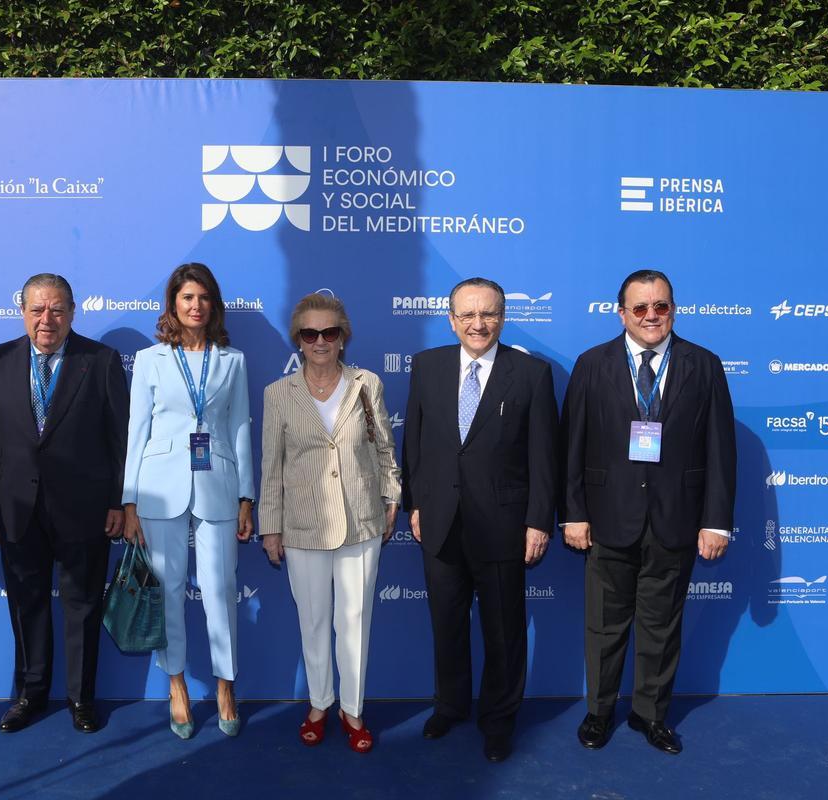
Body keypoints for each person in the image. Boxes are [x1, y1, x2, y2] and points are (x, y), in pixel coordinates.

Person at [560, 269, 736, 755]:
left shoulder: (704, 365)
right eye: (640, 308)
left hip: (675, 518)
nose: (651, 316)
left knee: (662, 625)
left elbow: (721, 450)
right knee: (604, 624)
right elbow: (571, 445)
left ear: (673, 309)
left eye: (661, 306)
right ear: (622, 314)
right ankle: (599, 712)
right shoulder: (592, 364)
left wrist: (715, 520)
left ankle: (650, 714)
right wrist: (573, 512)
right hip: (607, 518)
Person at [401, 277, 557, 763]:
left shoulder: (531, 374)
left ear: (503, 317)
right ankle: (449, 706)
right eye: (467, 315)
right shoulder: (427, 367)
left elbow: (543, 457)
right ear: (451, 320)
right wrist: (416, 504)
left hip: (504, 526)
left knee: (503, 631)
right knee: (446, 625)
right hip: (441, 522)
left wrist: (538, 521)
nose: (478, 323)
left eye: (487, 314)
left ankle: (498, 720)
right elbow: (417, 444)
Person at [0, 273, 129, 734]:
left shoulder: (99, 361)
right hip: (16, 506)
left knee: (83, 605)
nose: (47, 319)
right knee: (27, 605)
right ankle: (30, 694)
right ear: (22, 311)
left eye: (57, 309)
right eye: (38, 309)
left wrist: (118, 502)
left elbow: (119, 438)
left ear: (72, 312)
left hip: (85, 508)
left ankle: (82, 699)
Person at [260, 293, 400, 753]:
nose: (320, 341)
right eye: (310, 333)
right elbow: (271, 467)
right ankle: (320, 702)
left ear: (343, 337)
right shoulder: (278, 394)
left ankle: (353, 709)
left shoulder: (367, 384)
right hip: (302, 525)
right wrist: (270, 526)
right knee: (314, 620)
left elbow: (384, 447)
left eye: (330, 332)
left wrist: (392, 494)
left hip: (361, 519)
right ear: (298, 340)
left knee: (356, 620)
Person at [122, 263, 255, 739]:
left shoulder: (233, 360)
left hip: (218, 483)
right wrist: (130, 501)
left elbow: (240, 427)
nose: (195, 306)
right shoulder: (150, 359)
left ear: (212, 305)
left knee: (220, 591)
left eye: (203, 298)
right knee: (169, 592)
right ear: (173, 305)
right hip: (159, 487)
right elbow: (138, 431)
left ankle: (225, 686)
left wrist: (246, 495)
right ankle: (176, 685)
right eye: (186, 298)